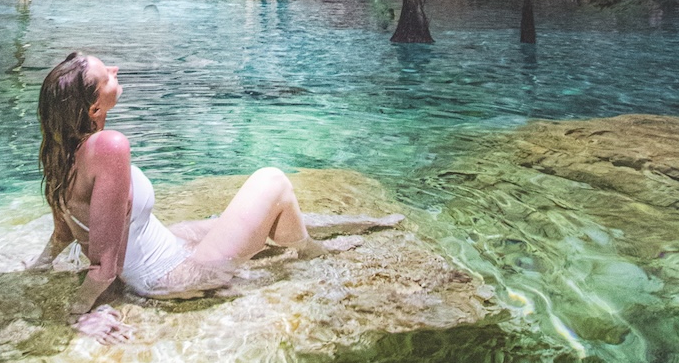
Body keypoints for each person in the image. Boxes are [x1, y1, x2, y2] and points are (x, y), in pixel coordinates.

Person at [28, 51, 402, 343]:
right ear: (94, 108)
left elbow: (66, 229)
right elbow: (104, 267)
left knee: (256, 218)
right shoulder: (109, 146)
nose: (115, 69)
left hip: (165, 246)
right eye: (105, 74)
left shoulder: (61, 152)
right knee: (272, 181)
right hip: (168, 275)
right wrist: (77, 313)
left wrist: (38, 267)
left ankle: (344, 232)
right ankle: (309, 250)